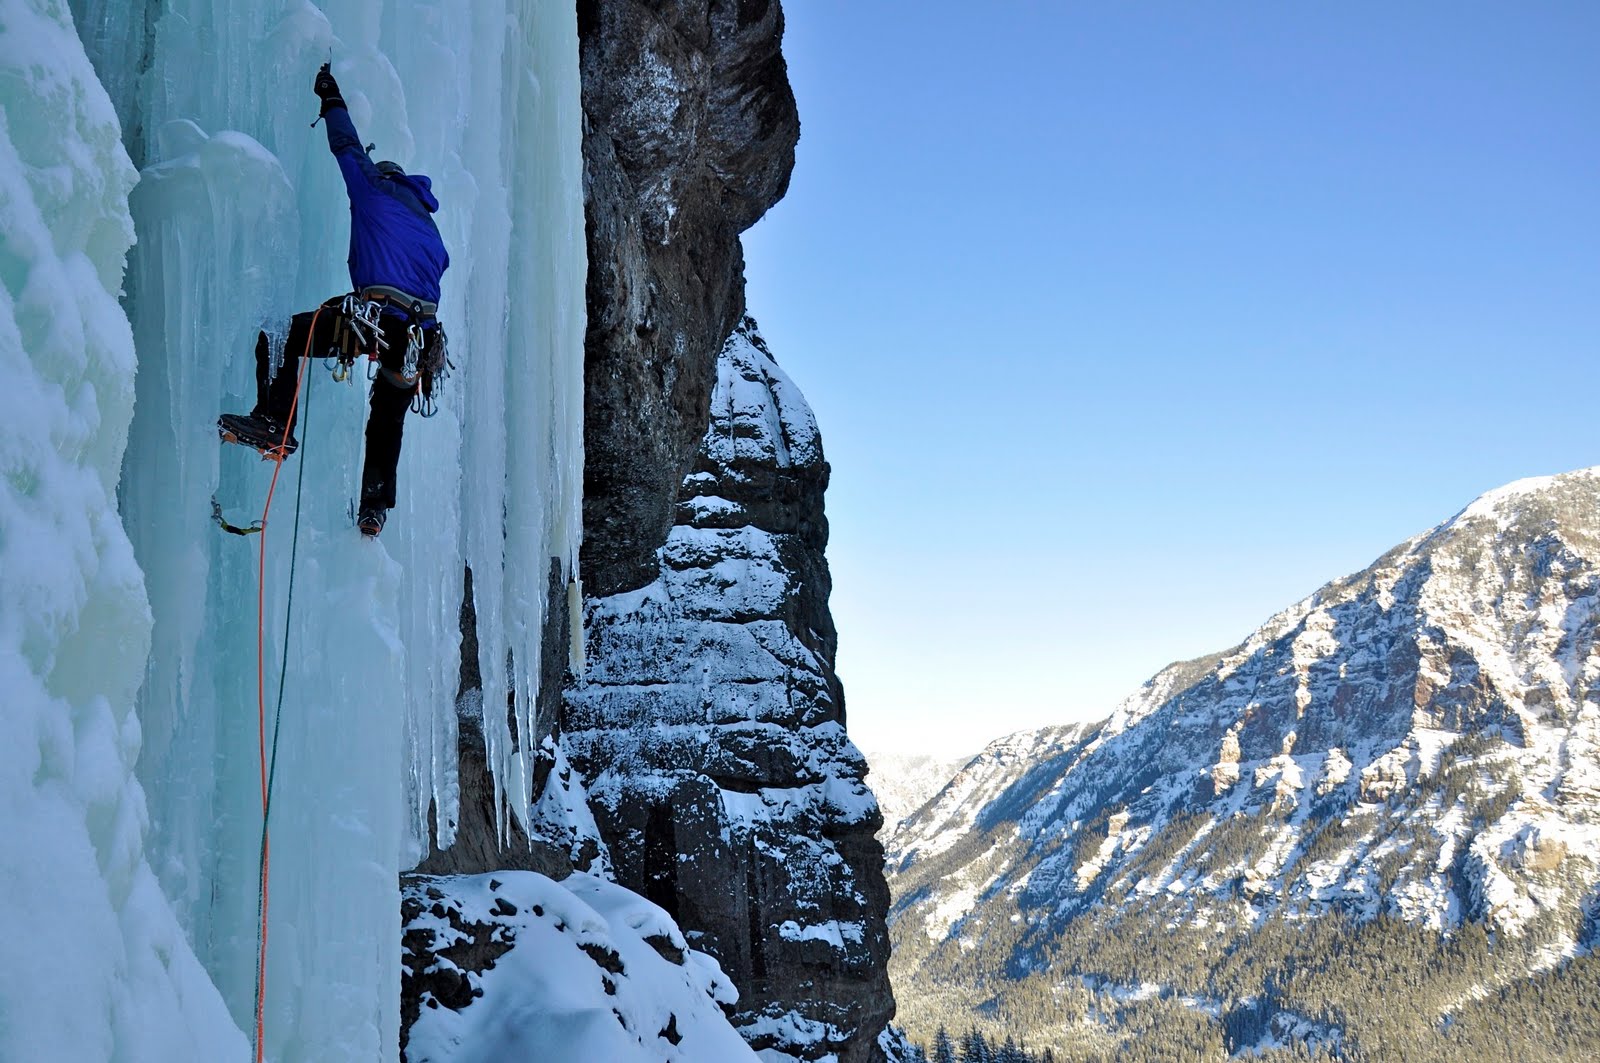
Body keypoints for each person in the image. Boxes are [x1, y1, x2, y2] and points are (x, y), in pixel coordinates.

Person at [219, 63, 450, 538]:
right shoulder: (430, 231)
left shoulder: (375, 190)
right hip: (418, 339)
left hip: (378, 318)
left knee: (280, 338)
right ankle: (373, 509)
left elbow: (346, 146)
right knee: (387, 417)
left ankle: (275, 423)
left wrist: (330, 97)